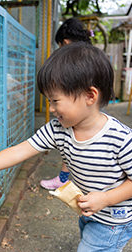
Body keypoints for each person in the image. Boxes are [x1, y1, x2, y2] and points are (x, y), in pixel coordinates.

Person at [0, 42, 132, 252]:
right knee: (90, 251)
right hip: (90, 210)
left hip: (114, 219)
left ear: (90, 96)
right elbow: (22, 149)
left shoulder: (121, 138)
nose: (51, 108)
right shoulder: (58, 129)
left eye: (55, 100)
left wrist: (106, 198)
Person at [40, 17, 93, 190]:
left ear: (65, 42)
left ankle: (64, 178)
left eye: (54, 100)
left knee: (72, 139)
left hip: (79, 107)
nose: (51, 108)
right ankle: (69, 177)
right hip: (88, 109)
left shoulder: (74, 59)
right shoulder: (90, 54)